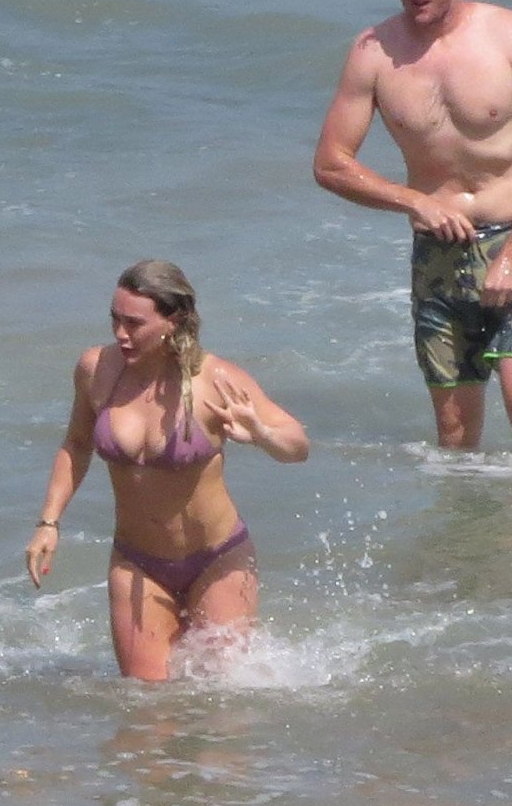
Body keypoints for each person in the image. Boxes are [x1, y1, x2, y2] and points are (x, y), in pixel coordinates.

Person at [313, 0, 512, 457]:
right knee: (455, 433)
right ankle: (468, 516)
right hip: (439, 253)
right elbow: (331, 164)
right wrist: (413, 201)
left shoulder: (509, 35)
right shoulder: (374, 52)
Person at [25, 260, 309, 681]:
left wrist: (262, 434)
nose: (121, 334)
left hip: (218, 560)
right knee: (145, 706)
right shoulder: (95, 370)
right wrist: (49, 522)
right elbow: (77, 445)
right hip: (137, 563)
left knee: (221, 700)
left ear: (172, 321)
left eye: (134, 324)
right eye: (115, 319)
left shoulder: (213, 379)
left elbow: (298, 446)